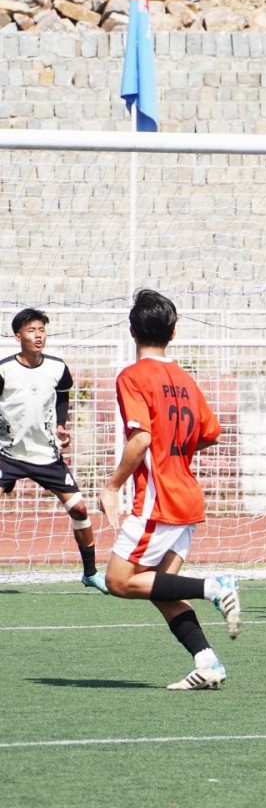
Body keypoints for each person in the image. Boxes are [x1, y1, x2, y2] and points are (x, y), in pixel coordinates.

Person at [98, 289, 242, 691]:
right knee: (160, 589)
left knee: (118, 581)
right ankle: (208, 663)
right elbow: (211, 433)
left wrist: (111, 487)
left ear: (132, 331)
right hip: (187, 498)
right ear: (173, 333)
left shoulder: (132, 376)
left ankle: (215, 587)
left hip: (158, 500)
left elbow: (142, 438)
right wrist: (175, 447)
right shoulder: (185, 379)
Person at [0, 308, 108, 593]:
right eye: (31, 330)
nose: (38, 335)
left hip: (46, 456)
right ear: (18, 336)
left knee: (80, 509)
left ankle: (90, 573)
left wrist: (61, 425)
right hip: (7, 455)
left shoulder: (58, 368)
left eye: (41, 330)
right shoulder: (4, 370)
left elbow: (62, 395)